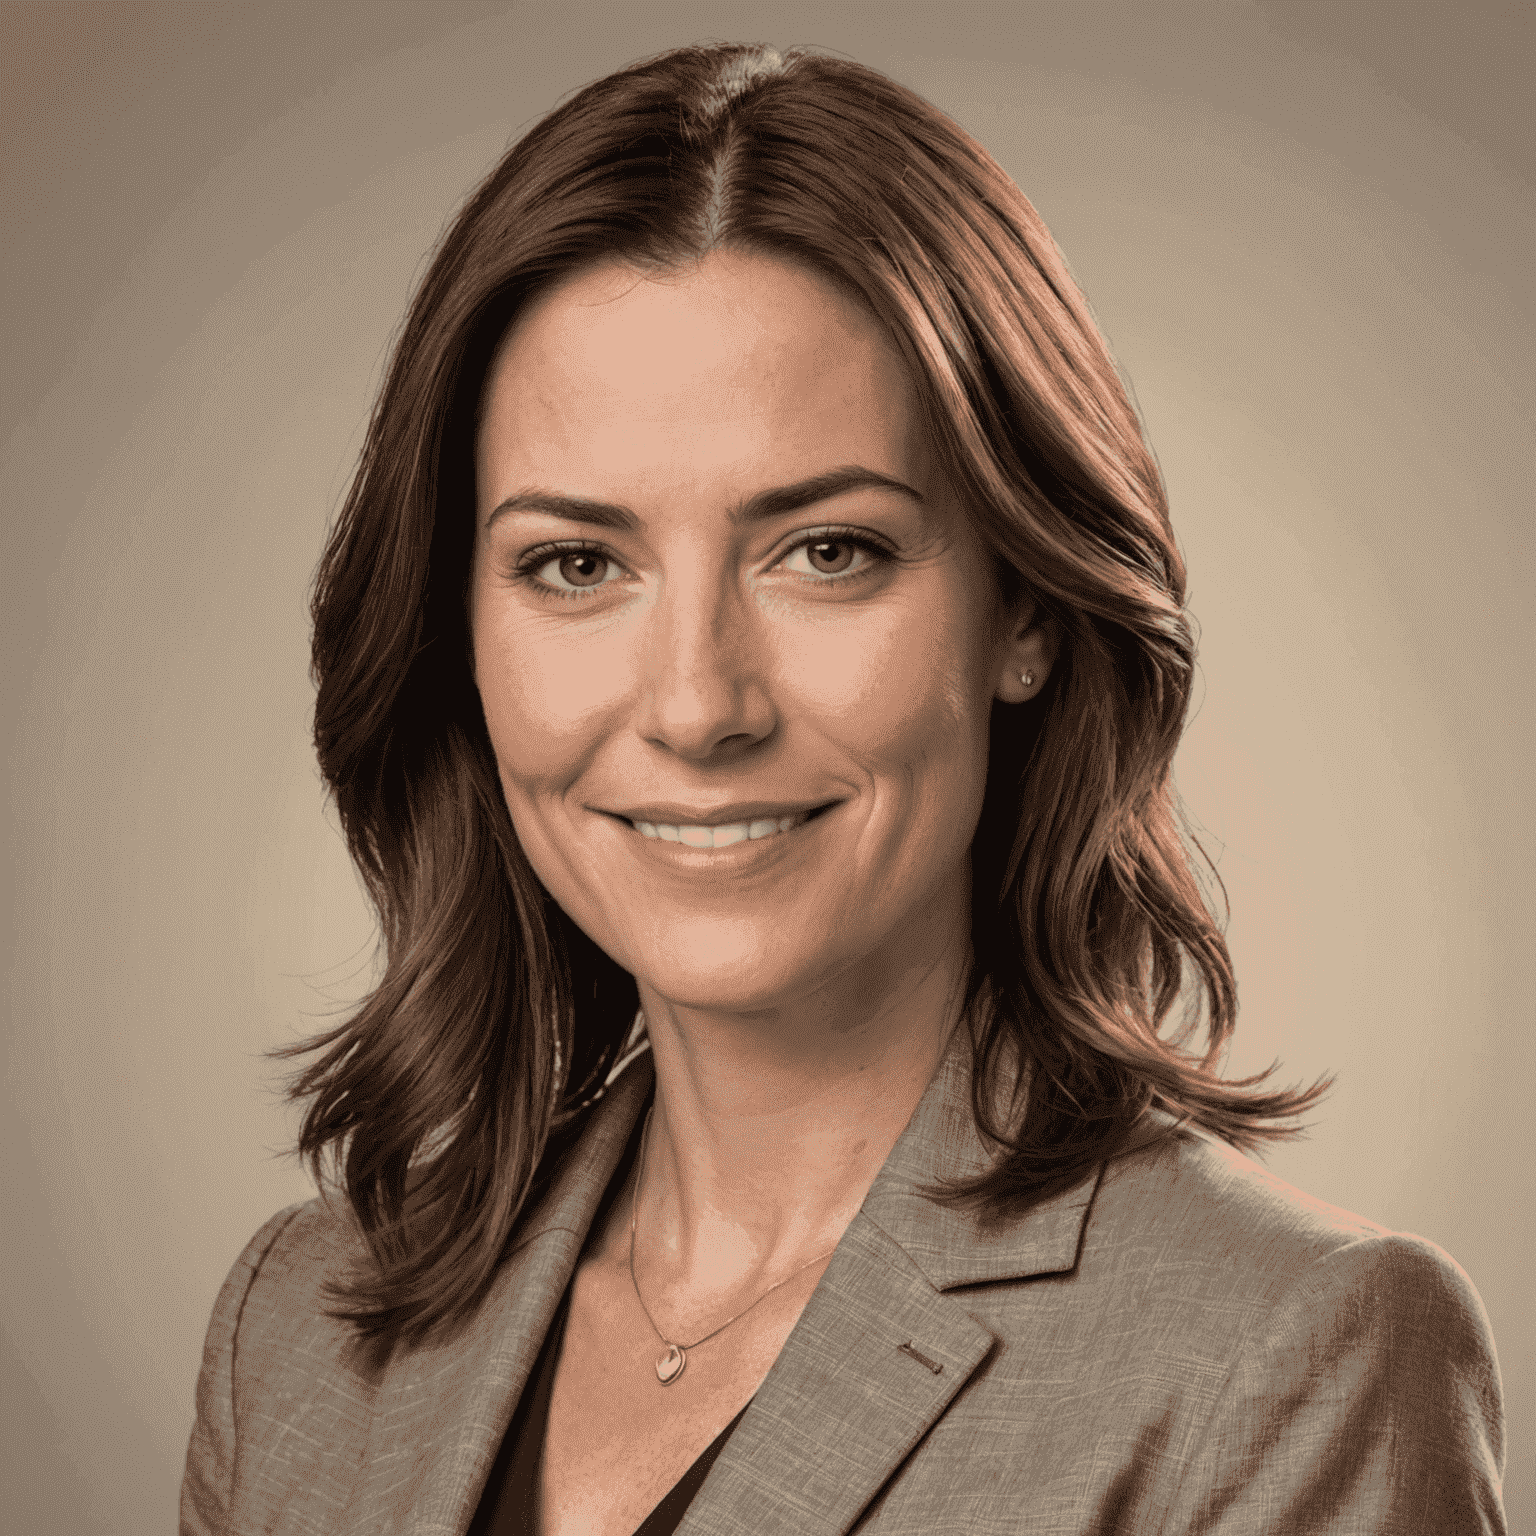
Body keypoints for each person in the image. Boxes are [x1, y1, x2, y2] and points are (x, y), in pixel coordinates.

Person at [180, 41, 1506, 1536]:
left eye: (829, 551)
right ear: (455, 636)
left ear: (1027, 612)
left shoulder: (1291, 1363)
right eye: (576, 564)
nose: (695, 706)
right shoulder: (296, 1336)